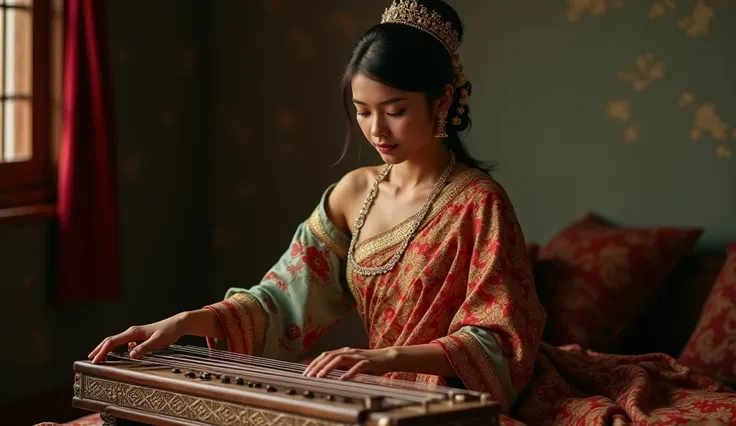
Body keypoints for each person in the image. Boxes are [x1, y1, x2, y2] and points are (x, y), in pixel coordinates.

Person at [88, 1, 736, 424]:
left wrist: (382, 356)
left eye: (396, 109)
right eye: (363, 111)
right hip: (374, 397)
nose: (378, 130)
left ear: (444, 99)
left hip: (459, 398)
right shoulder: (352, 195)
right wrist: (178, 324)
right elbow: (277, 305)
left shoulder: (478, 203)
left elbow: (499, 341)